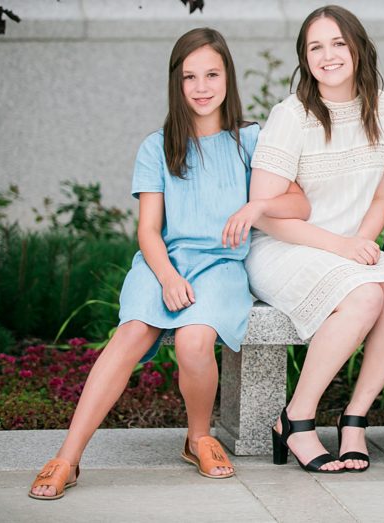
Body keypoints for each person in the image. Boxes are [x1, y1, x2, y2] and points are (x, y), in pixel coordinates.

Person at [29, 28, 311, 499]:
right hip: (164, 261)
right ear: (176, 84)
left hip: (222, 265)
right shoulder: (157, 146)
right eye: (190, 77)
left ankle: (198, 437)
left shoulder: (250, 141)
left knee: (195, 341)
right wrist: (166, 277)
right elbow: (148, 230)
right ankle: (67, 457)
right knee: (129, 335)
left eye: (211, 74)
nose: (202, 87)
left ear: (228, 78)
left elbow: (298, 204)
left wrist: (256, 208)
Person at [246, 5, 384, 474]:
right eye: (315, 47)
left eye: (338, 43)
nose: (328, 55)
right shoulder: (292, 116)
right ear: (305, 59)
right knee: (364, 296)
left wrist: (362, 242)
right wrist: (342, 249)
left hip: (348, 248)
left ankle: (355, 418)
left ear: (359, 47)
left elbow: (383, 195)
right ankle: (296, 418)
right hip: (285, 248)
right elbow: (264, 215)